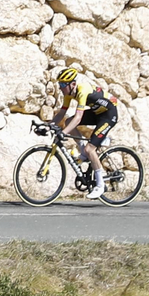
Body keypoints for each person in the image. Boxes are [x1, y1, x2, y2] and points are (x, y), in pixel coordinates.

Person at [52, 65, 120, 199]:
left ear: (72, 84)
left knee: (90, 149)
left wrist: (63, 133)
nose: (60, 87)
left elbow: (78, 118)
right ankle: (82, 149)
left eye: (63, 84)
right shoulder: (68, 94)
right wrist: (48, 125)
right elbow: (61, 114)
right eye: (59, 84)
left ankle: (100, 185)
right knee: (67, 121)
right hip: (97, 112)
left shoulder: (82, 90)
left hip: (108, 114)